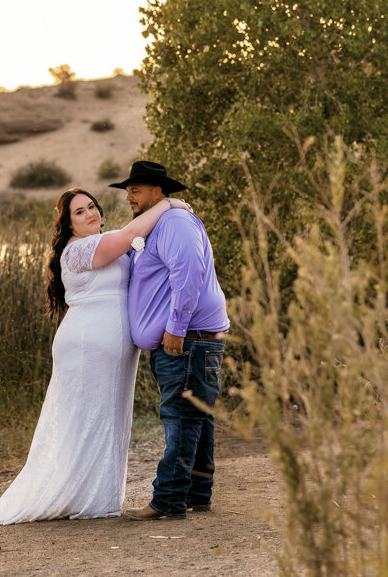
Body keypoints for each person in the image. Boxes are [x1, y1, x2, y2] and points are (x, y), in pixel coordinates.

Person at [0, 187, 191, 525]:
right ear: (68, 224)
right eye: (79, 212)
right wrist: (170, 204)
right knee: (85, 419)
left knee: (108, 417)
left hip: (112, 348)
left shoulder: (109, 247)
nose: (90, 214)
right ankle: (75, 495)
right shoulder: (78, 250)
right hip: (88, 344)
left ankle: (96, 495)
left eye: (92, 207)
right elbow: (133, 231)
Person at [108, 161, 230, 521]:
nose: (129, 196)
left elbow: (188, 273)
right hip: (187, 339)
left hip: (187, 339)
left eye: (136, 189)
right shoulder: (160, 222)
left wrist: (175, 328)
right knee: (196, 417)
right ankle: (196, 494)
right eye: (128, 190)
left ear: (157, 193)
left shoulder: (174, 223)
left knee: (181, 416)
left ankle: (168, 500)